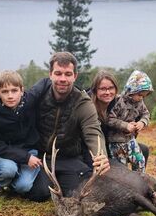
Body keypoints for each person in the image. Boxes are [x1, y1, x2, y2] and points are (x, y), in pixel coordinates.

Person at [25, 52, 110, 202]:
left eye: (68, 74)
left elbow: (93, 132)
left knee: (77, 193)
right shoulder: (37, 95)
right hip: (40, 158)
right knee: (39, 194)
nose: (63, 79)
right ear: (50, 74)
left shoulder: (83, 102)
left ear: (75, 76)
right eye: (58, 73)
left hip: (69, 159)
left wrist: (100, 155)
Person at [0, 70, 46, 197]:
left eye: (14, 90)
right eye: (5, 92)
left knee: (23, 186)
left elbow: (46, 82)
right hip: (5, 154)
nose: (10, 96)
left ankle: (11, 184)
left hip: (30, 151)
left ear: (22, 90)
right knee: (8, 170)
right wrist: (26, 158)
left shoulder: (30, 100)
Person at [88, 70, 150, 165]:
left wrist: (138, 125)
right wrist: (125, 126)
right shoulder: (88, 106)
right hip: (98, 147)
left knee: (143, 151)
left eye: (111, 88)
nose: (107, 92)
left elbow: (145, 114)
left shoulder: (122, 103)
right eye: (103, 89)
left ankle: (137, 174)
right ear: (95, 90)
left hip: (122, 141)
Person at [106, 70, 153, 172]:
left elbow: (146, 114)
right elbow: (109, 119)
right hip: (116, 142)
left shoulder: (140, 103)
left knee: (140, 161)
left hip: (130, 140)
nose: (141, 98)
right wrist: (125, 126)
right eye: (140, 95)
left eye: (144, 96)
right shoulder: (118, 101)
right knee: (121, 168)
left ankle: (140, 180)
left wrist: (142, 122)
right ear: (132, 90)